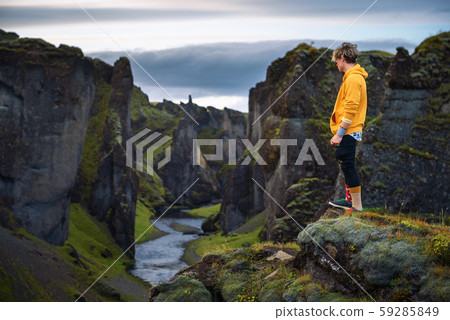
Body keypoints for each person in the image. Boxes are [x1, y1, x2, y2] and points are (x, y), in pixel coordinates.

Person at [328, 42, 368, 216]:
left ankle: (356, 206)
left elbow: (351, 108)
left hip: (349, 129)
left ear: (342, 58)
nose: (336, 64)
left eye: (336, 61)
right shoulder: (353, 77)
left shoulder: (353, 78)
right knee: (345, 161)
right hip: (351, 129)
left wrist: (339, 134)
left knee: (348, 163)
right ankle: (350, 200)